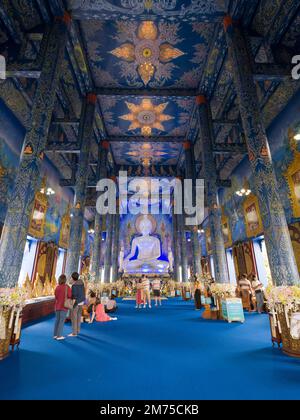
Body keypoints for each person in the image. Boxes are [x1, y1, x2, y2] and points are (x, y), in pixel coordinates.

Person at [54, 274, 72, 340]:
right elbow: (70, 296)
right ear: (65, 280)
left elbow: (55, 296)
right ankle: (59, 336)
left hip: (57, 306)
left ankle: (55, 335)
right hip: (64, 306)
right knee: (61, 321)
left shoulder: (57, 287)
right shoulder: (67, 287)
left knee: (57, 320)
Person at [69, 272, 85, 337]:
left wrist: (72, 305)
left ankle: (74, 333)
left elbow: (74, 296)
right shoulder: (81, 283)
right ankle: (78, 330)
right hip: (81, 301)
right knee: (78, 317)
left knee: (74, 318)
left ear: (72, 278)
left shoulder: (74, 285)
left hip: (76, 303)